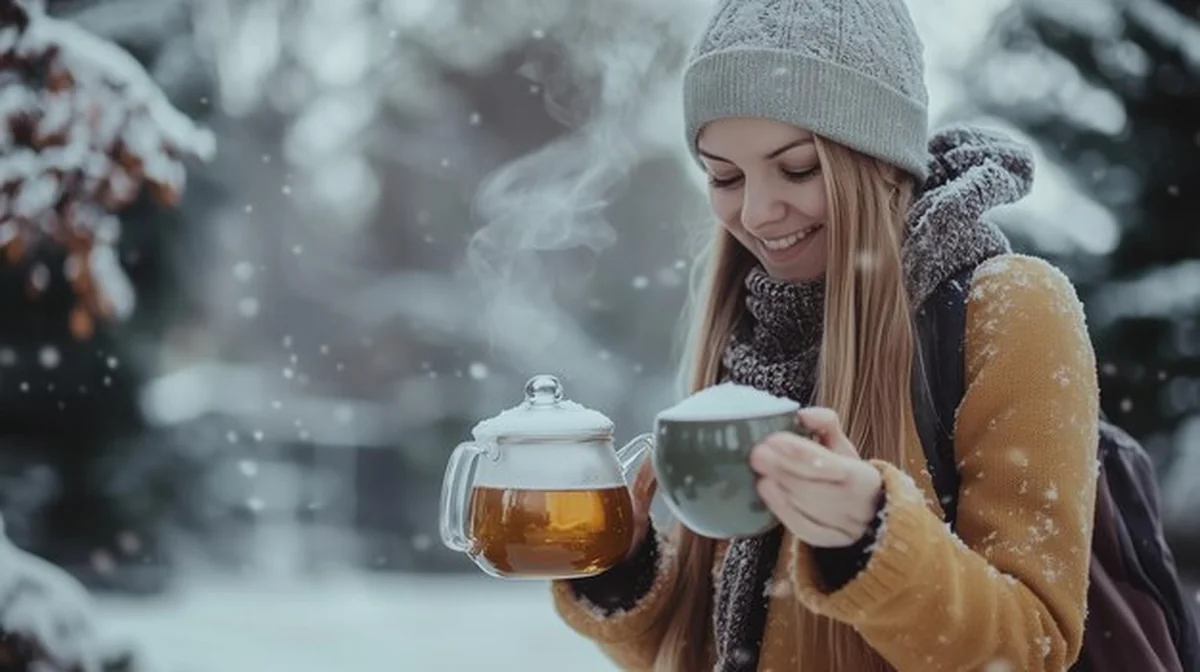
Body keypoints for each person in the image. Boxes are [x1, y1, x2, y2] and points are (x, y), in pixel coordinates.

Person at [550, 0, 1101, 670]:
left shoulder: (1009, 309)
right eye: (724, 176)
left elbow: (1033, 648)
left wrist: (869, 537)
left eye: (798, 168)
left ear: (880, 159)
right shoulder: (753, 332)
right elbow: (722, 653)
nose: (754, 212)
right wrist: (623, 571)